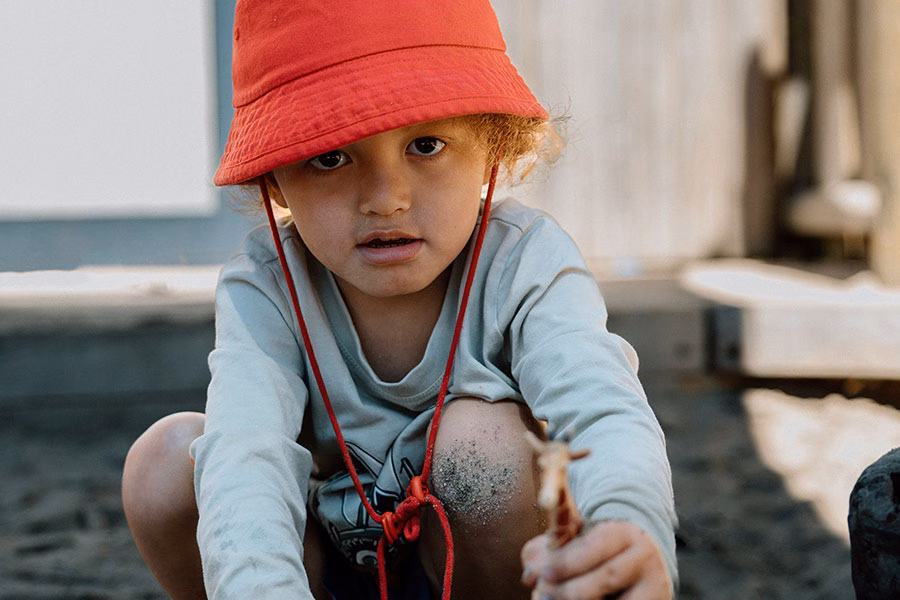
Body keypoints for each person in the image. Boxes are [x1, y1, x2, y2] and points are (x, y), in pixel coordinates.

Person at [121, 1, 678, 598]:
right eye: (330, 156)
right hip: (322, 572)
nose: (386, 198)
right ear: (276, 176)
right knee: (165, 463)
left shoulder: (524, 262)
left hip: (481, 571)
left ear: (492, 145)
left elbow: (601, 404)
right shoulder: (267, 286)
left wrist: (629, 524)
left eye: (427, 144)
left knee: (480, 441)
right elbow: (245, 455)